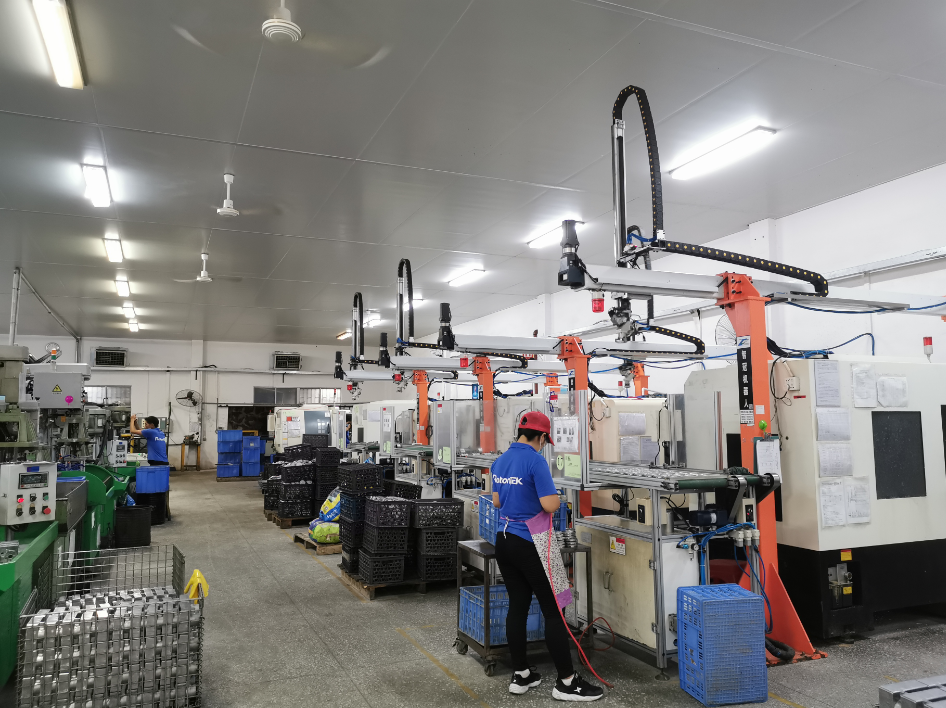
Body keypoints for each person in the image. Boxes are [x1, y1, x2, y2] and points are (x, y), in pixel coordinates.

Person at [491, 412, 604, 702]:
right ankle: (567, 681)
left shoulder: (500, 461)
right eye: (545, 440)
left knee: (518, 605)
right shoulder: (536, 461)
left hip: (504, 539)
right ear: (542, 437)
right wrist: (556, 496)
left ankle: (521, 674)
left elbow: (497, 501)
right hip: (532, 542)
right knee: (554, 610)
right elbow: (550, 505)